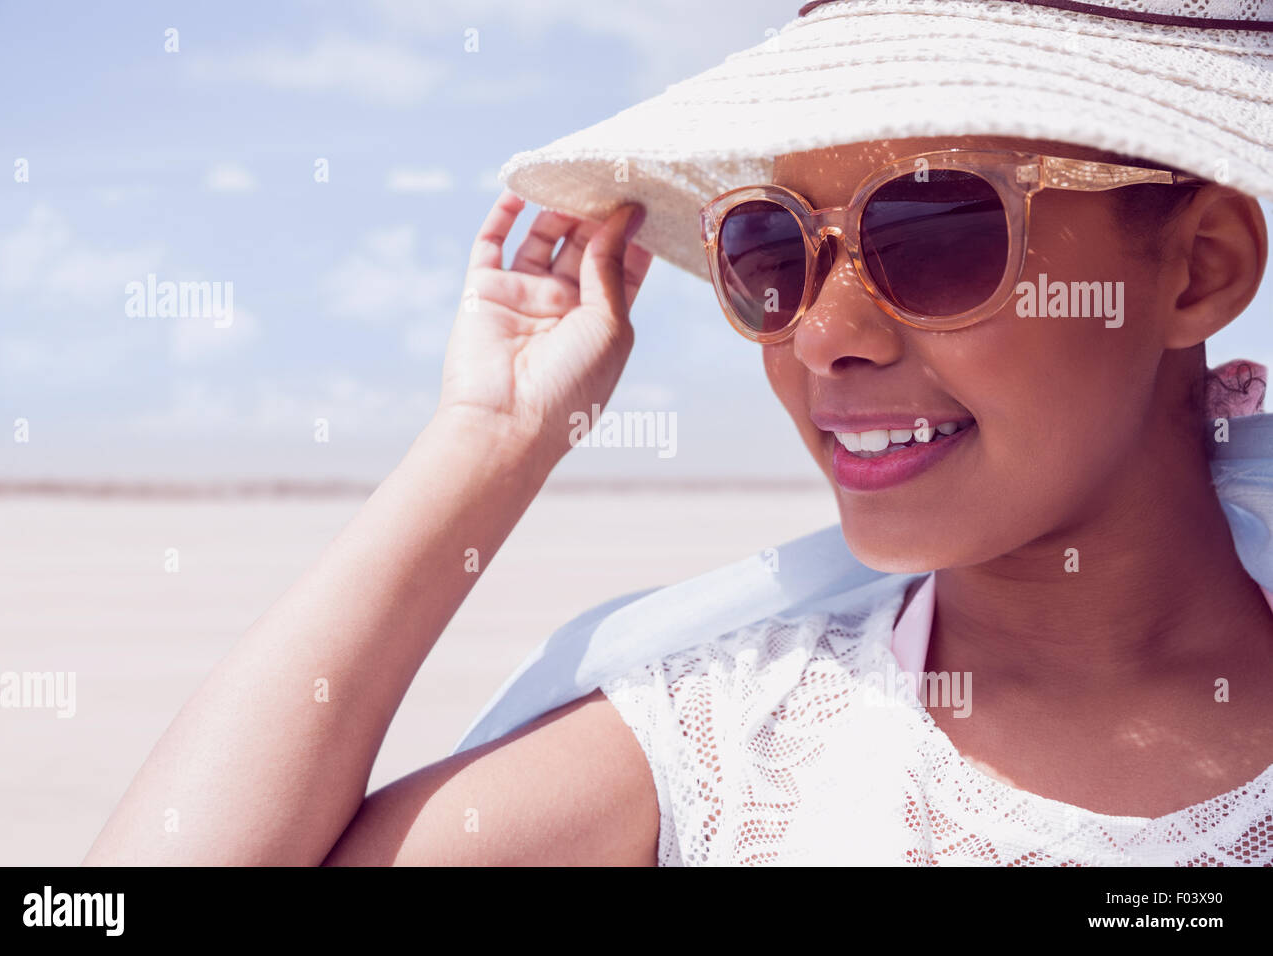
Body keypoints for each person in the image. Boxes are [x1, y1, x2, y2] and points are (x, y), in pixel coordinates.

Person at [85, 0, 1273, 866]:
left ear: (1196, 271)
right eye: (770, 252)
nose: (823, 336)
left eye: (930, 229)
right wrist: (487, 438)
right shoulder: (729, 741)